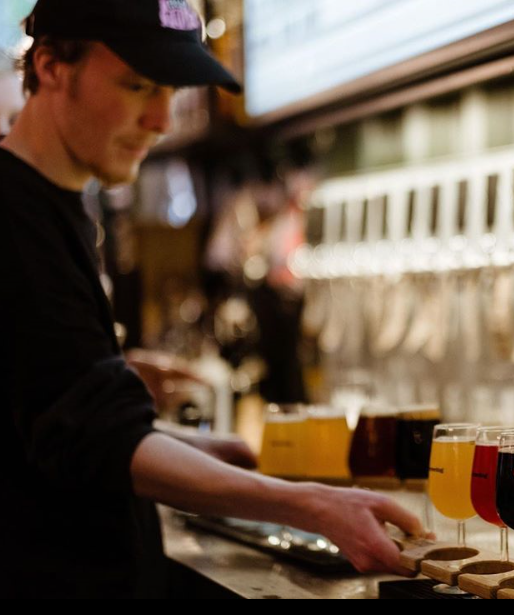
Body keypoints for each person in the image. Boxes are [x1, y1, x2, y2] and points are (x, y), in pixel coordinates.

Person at [1, 0, 422, 598]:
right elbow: (95, 436)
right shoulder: (15, 217)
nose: (160, 119)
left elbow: (50, 410)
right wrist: (310, 505)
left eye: (170, 90)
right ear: (51, 66)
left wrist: (196, 448)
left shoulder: (57, 203)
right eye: (138, 84)